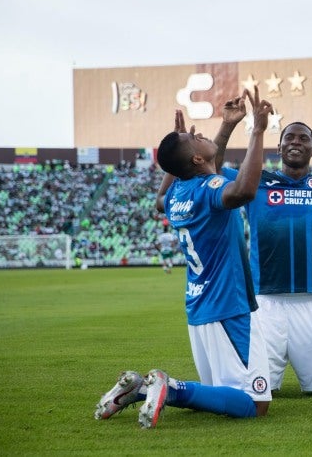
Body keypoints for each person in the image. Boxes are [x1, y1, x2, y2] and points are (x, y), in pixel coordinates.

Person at [157, 98, 312, 396]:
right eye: (289, 137)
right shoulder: (257, 181)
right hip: (263, 303)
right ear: (278, 149)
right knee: (255, 389)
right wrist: (229, 126)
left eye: (304, 138)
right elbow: (209, 168)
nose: (296, 142)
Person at [95, 87, 275, 428]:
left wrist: (225, 128)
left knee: (218, 392)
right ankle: (171, 387)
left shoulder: (177, 193)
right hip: (227, 305)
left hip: (199, 307)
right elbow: (245, 191)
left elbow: (162, 195)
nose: (199, 134)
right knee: (255, 403)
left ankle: (138, 390)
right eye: (193, 139)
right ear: (195, 160)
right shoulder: (207, 191)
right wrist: (257, 130)